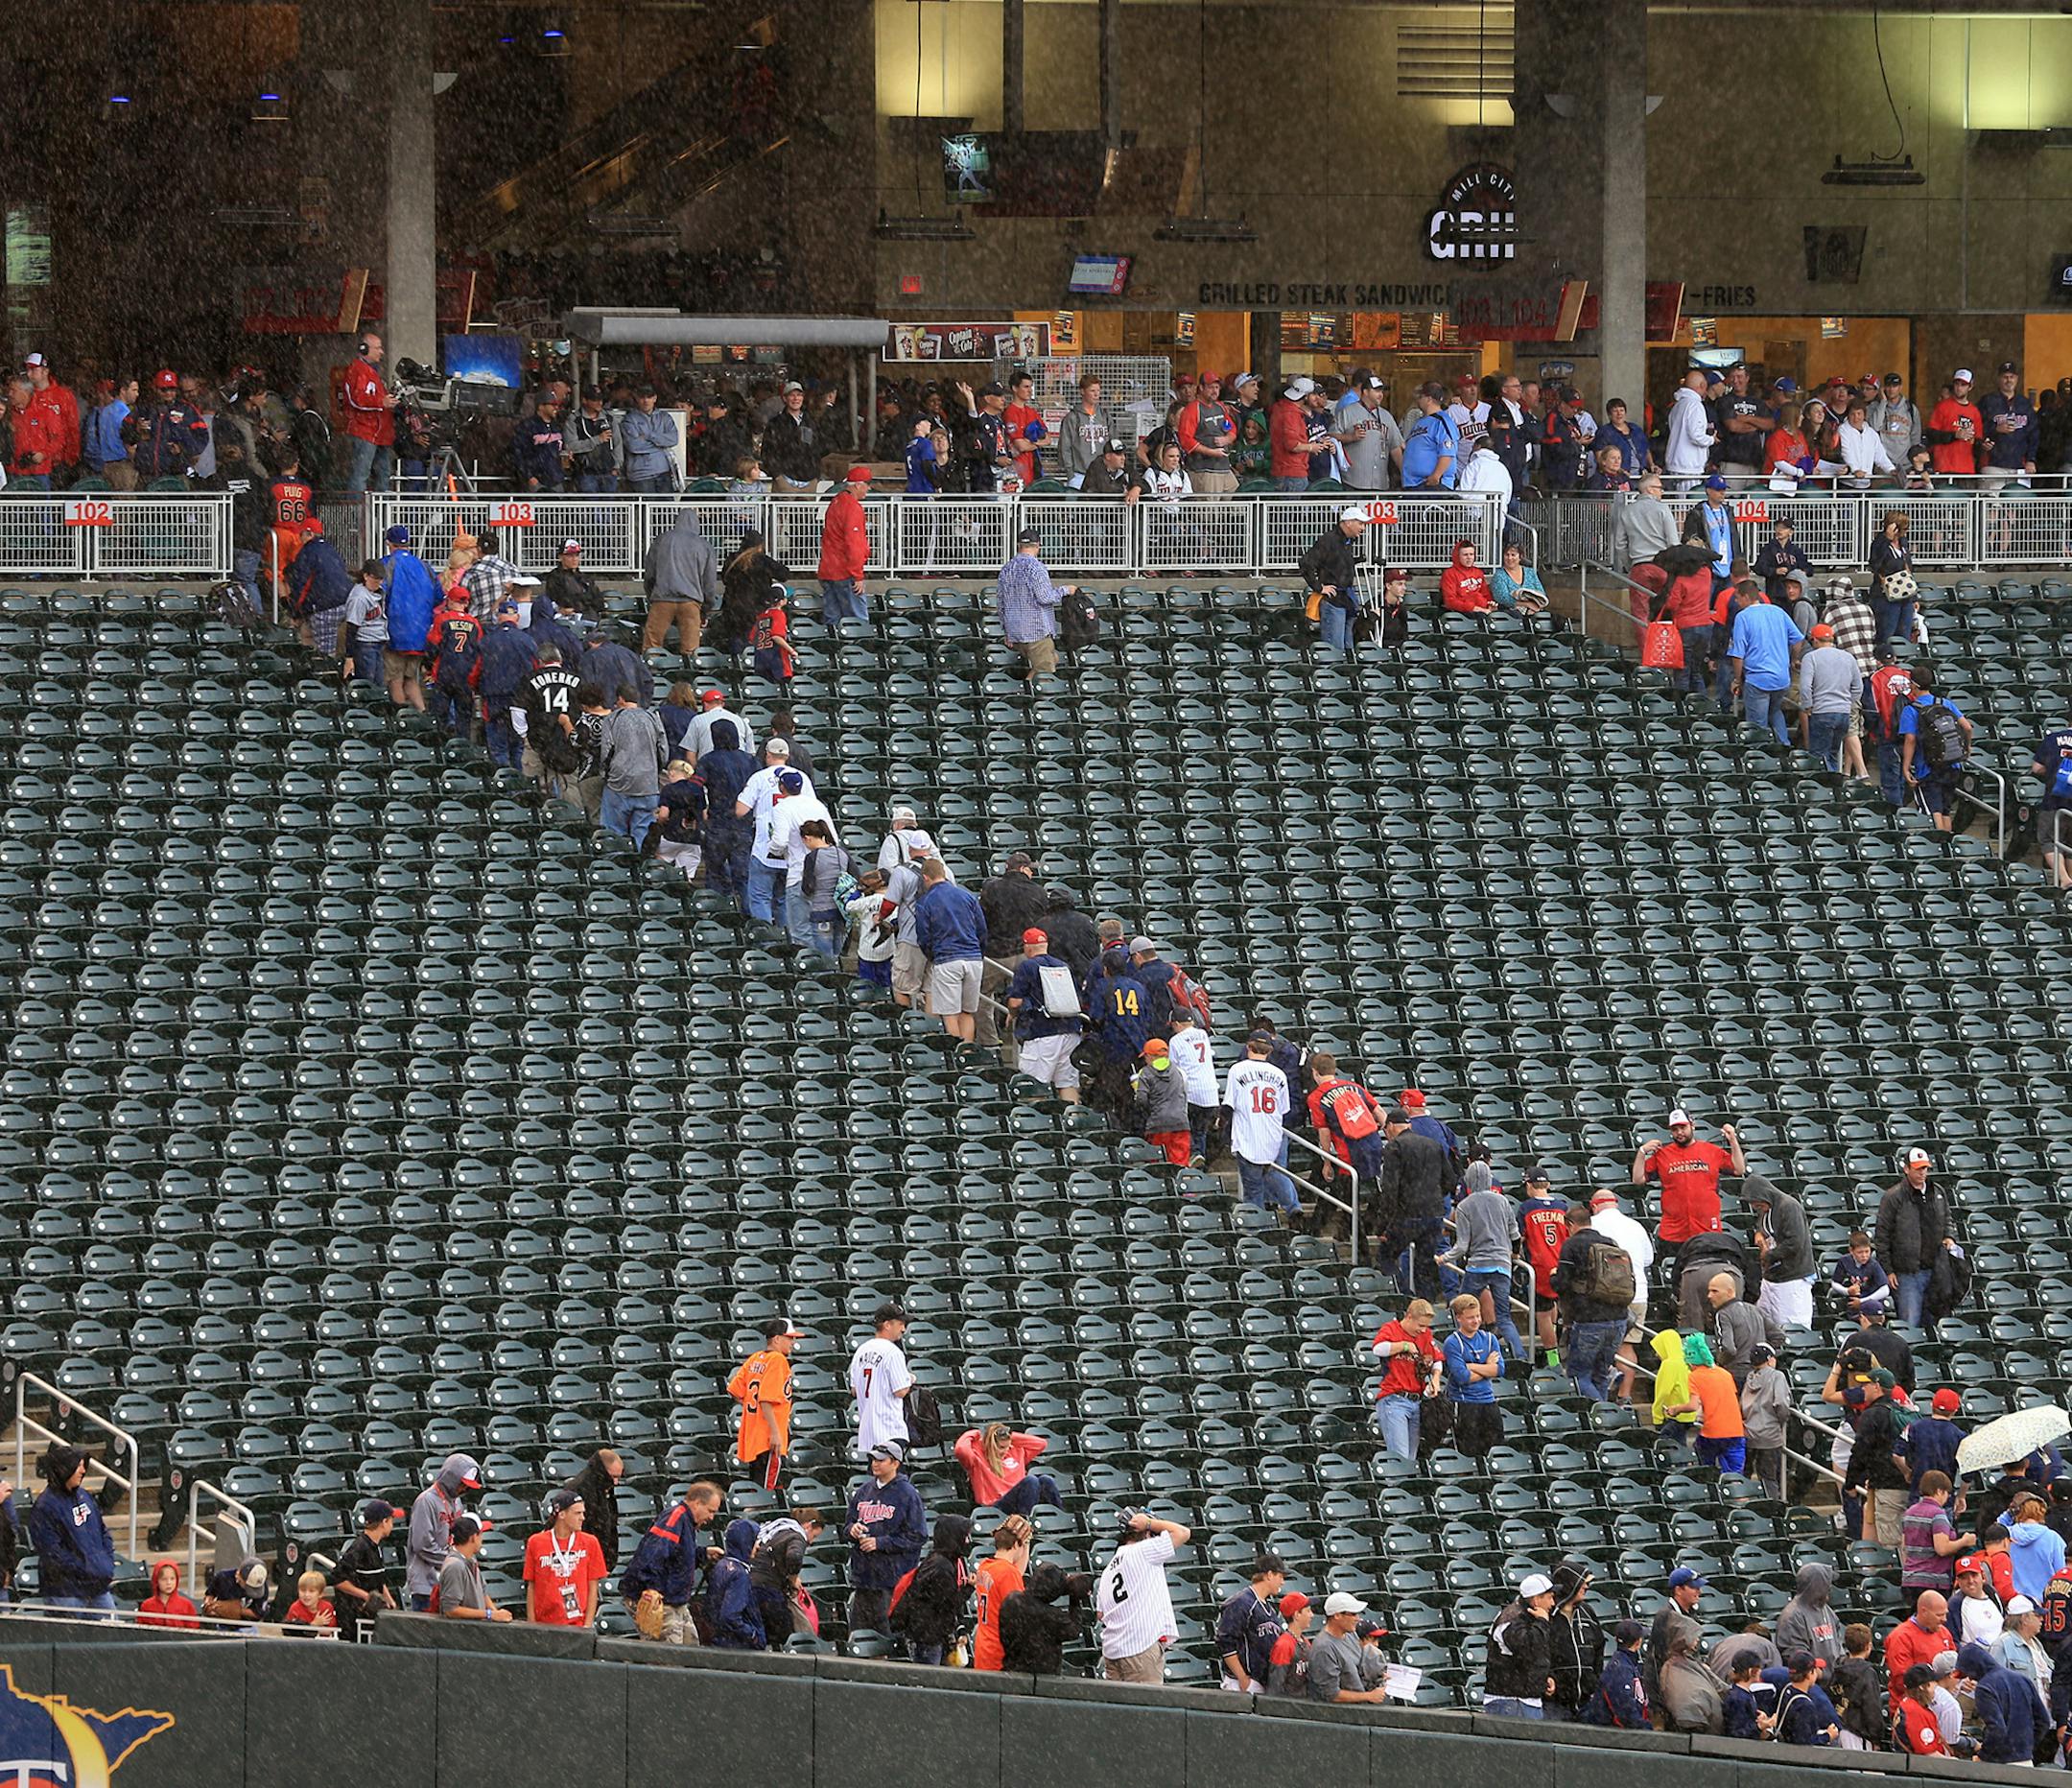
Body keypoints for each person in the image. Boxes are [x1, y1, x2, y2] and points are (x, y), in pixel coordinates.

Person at [1632, 1108, 1744, 1268]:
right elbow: (1638, 1179)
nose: (1679, 1132)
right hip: (1674, 1232)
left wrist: (1733, 1140)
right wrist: (1642, 1152)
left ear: (1692, 1125)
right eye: (1675, 1129)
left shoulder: (1711, 1151)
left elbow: (1739, 1169)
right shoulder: (1663, 1154)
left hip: (1706, 1228)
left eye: (1683, 1127)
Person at [1440, 1163, 1525, 1364]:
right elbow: (1515, 1235)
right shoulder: (1502, 1201)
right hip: (1502, 1265)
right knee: (1504, 1317)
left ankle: (1457, 1354)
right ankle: (1520, 1358)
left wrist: (1444, 1258)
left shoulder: (1464, 1206)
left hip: (1478, 1266)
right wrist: (1514, 1255)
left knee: (1461, 1311)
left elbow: (1462, 1245)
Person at [621, 1482, 724, 1647]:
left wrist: (703, 1553)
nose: (711, 1517)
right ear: (697, 1503)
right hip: (662, 1601)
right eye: (710, 1511)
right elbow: (654, 1554)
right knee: (670, 1660)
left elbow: (677, 1556)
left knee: (692, 1650)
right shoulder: (675, 1518)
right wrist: (652, 1591)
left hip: (676, 1601)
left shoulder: (686, 1521)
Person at [1551, 1205, 1637, 1402]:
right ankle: (1605, 1422)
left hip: (1589, 1319)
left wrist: (1553, 1277)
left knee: (1578, 1375)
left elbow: (1562, 1284)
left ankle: (1606, 1413)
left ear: (1570, 1225)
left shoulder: (1571, 1245)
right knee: (1600, 1374)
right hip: (1618, 1318)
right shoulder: (1610, 1243)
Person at [844, 1441, 927, 1635]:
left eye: (881, 1460)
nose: (875, 1463)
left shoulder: (907, 1494)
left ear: (895, 1463)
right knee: (859, 1636)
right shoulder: (864, 1491)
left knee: (886, 1637)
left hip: (891, 1581)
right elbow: (846, 1527)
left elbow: (918, 1536)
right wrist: (852, 1530)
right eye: (873, 1459)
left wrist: (881, 1543)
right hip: (864, 1579)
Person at [1875, 1146, 1953, 1331]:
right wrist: (1888, 1270)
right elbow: (1882, 1235)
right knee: (1910, 1323)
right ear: (1906, 1169)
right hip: (1907, 1273)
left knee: (1938, 1322)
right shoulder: (1893, 1197)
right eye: (1918, 1168)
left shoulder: (1937, 1192)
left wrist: (1949, 1236)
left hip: (1936, 1269)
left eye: (1925, 1168)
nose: (1922, 1172)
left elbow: (1948, 1218)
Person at [1225, 1034, 1300, 1216]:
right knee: (1277, 1174)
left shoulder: (1237, 1069)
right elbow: (1284, 1109)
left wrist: (1222, 1127)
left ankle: (1257, 1227)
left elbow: (1228, 1105)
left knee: (1253, 1189)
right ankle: (1293, 1207)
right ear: (1269, 1051)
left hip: (1248, 1134)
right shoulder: (1279, 1073)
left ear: (1249, 1047)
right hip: (1273, 1133)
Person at [1726, 588, 1805, 747]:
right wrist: (1792, 659)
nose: (1736, 602)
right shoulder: (1778, 611)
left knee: (1757, 726)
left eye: (1737, 598)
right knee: (1775, 712)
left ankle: (1760, 757)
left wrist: (1737, 679)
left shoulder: (1743, 617)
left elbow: (1738, 654)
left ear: (1746, 596)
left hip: (1758, 679)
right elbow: (1798, 639)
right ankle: (1785, 748)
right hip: (1782, 678)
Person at [729, 1316, 801, 1491]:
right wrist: (775, 1433)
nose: (793, 1342)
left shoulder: (755, 1358)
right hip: (770, 1438)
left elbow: (735, 1391)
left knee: (757, 1487)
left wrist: (755, 1413)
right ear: (777, 1339)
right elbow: (766, 1399)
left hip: (755, 1437)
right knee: (766, 1492)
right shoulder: (778, 1360)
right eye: (789, 1338)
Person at [891, 1513, 974, 1666]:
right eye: (965, 1536)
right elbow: (947, 1602)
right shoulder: (940, 1566)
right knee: (930, 1682)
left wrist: (960, 1629)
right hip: (927, 1637)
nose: (968, 1541)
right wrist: (969, 1588)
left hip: (934, 1635)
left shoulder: (946, 1561)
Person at [1898, 669, 1973, 834]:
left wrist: (1905, 767)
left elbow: (1910, 740)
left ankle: (1941, 846)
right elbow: (1967, 727)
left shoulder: (1911, 710)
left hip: (1927, 767)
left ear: (1914, 686)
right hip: (1952, 765)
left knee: (1934, 811)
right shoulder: (1945, 703)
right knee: (1946, 811)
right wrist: (1967, 747)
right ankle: (1949, 847)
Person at [405, 1451, 481, 1612]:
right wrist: (451, 1562)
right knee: (425, 1635)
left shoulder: (457, 1502)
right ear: (450, 1477)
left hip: (448, 1582)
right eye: (462, 1483)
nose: (464, 1488)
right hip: (426, 1584)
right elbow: (422, 1545)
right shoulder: (426, 1501)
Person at [1370, 1297, 1443, 1463]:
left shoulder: (1425, 1335)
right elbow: (1377, 1348)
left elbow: (1436, 1359)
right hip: (1394, 1399)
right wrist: (1403, 1345)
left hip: (1417, 1401)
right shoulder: (1391, 1328)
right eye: (1421, 1325)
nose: (1424, 1330)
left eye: (1426, 1326)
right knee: (1400, 1458)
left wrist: (1436, 1379)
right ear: (1409, 1317)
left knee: (1410, 1458)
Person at [995, 528, 1072, 681]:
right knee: (1045, 674)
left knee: (1052, 659)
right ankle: (1029, 698)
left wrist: (1007, 631)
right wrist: (1066, 590)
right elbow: (1045, 597)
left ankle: (1024, 689)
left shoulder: (1006, 569)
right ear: (1038, 545)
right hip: (1037, 631)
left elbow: (1001, 603)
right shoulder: (1036, 568)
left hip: (1015, 632)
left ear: (1019, 545)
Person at [642, 507, 720, 655]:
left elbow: (650, 573)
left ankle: (652, 670)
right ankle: (688, 675)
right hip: (691, 602)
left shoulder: (662, 540)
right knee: (691, 649)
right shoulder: (704, 545)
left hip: (662, 599)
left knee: (652, 645)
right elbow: (709, 582)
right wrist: (706, 607)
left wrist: (651, 596)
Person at [1963, 1637, 2052, 1765]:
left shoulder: (1985, 1686)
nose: (1969, 1678)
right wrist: (2026, 1746)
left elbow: (1997, 1729)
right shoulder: (2023, 1679)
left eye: (1967, 1673)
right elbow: (2044, 1721)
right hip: (2026, 1760)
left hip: (1998, 1763)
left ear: (1972, 1667)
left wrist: (1983, 1755)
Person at [745, 1506, 824, 1650]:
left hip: (750, 1586)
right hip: (768, 1590)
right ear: (808, 1526)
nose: (811, 1542)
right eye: (814, 1536)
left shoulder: (773, 1530)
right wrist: (793, 1578)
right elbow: (794, 1557)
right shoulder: (796, 1535)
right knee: (785, 1634)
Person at [1484, 1573, 1558, 1718]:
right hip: (1511, 1701)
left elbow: (1538, 1654)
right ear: (1536, 1600)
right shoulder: (1511, 1620)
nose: (1553, 1603)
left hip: (1525, 1699)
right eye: (1549, 1597)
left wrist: (1546, 1676)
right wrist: (1542, 1622)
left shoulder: (1530, 1619)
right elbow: (1529, 1649)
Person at [1671, 1333, 1747, 1474]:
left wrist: (1676, 1409)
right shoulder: (1725, 1374)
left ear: (1691, 1362)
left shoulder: (1694, 1376)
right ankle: (1740, 1496)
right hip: (1736, 1431)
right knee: (1736, 1476)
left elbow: (1693, 1405)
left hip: (1713, 1432)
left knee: (1705, 1470)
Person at [1214, 1552, 1289, 1693]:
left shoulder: (1269, 1608)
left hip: (1260, 1681)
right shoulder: (1241, 1603)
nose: (1282, 1582)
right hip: (1241, 1683)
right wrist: (1242, 1677)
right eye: (1280, 1576)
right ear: (1269, 1575)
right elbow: (1225, 1642)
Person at [1442, 1291, 1504, 1459]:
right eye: (1470, 1317)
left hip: (1489, 1401)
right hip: (1465, 1404)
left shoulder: (1490, 1339)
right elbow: (1463, 1378)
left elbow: (1499, 1370)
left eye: (1478, 1316)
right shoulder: (1453, 1343)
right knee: (1470, 1453)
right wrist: (1487, 1367)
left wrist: (1474, 1367)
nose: (1476, 1320)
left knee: (1495, 1451)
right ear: (1459, 1318)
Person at [850, 1300, 914, 1458]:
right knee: (892, 1480)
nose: (903, 1329)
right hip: (890, 1429)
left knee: (876, 1479)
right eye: (900, 1324)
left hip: (868, 1432)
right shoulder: (893, 1352)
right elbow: (900, 1391)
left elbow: (854, 1390)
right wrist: (910, 1379)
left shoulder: (861, 1351)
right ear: (887, 1325)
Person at [329, 1500, 398, 1643]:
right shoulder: (359, 1547)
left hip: (368, 1618)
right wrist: (366, 1596)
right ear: (384, 1522)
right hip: (353, 1621)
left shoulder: (376, 1547)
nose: (392, 1525)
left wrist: (388, 1599)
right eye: (391, 1521)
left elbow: (378, 1578)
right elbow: (337, 1579)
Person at [340, 330, 398, 494]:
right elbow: (356, 399)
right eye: (378, 348)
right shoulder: (357, 370)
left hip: (379, 433)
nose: (381, 352)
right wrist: (381, 402)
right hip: (365, 431)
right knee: (360, 475)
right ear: (364, 349)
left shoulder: (371, 372)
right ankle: (358, 517)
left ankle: (380, 515)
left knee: (383, 475)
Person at [704, 1517, 767, 1649]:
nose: (758, 1546)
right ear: (746, 1542)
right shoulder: (739, 1574)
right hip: (735, 1646)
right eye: (755, 1541)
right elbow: (730, 1616)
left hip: (720, 1641)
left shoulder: (722, 1565)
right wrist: (753, 1635)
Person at [434, 1516, 510, 1621]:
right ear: (474, 1537)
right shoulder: (454, 1566)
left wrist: (496, 1613)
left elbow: (483, 1593)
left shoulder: (471, 1560)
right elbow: (451, 1610)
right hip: (461, 1634)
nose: (482, 1539)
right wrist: (489, 1614)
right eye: (481, 1534)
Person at [1741, 1344, 1791, 1499]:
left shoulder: (1749, 1377)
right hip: (1770, 1435)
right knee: (1769, 1479)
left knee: (1744, 1476)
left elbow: (1742, 1405)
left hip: (1748, 1432)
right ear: (1769, 1359)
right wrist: (1781, 1421)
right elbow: (1781, 1403)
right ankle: (1772, 1512)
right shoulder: (1777, 1376)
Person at [1584, 1619, 1651, 1727]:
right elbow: (1625, 1714)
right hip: (1611, 1735)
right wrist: (1647, 1729)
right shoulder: (1621, 1668)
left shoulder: (1625, 1663)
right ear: (1638, 1643)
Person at [1490, 542, 1549, 617]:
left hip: (1534, 610)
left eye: (1513, 555)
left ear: (1520, 557)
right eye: (1507, 555)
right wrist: (1527, 604)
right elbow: (1502, 598)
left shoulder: (1530, 572)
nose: (1509, 558)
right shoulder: (1499, 575)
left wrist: (1534, 607)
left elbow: (1541, 592)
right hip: (1511, 613)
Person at [138, 1560, 199, 1630]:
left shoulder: (187, 1605)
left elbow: (193, 1631)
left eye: (172, 1579)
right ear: (156, 1581)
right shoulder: (146, 1606)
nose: (169, 1583)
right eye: (164, 1579)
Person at [281, 1568, 339, 1634]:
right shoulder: (295, 1608)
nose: (306, 1595)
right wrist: (314, 1625)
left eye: (311, 1591)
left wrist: (312, 1629)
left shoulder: (327, 1607)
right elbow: (292, 1632)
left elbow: (331, 1631)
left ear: (320, 1594)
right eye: (303, 1590)